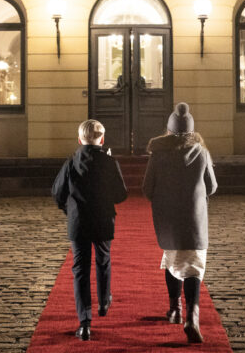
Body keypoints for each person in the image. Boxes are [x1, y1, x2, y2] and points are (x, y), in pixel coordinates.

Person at [143, 102, 217, 344]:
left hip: (168, 217)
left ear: (169, 129)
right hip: (194, 218)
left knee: (172, 258)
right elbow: (212, 186)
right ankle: (192, 318)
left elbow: (147, 188)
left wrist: (164, 199)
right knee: (194, 265)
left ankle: (174, 310)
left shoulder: (159, 153)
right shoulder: (201, 151)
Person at [51, 119, 128, 341]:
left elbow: (57, 192)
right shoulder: (109, 162)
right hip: (103, 220)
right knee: (103, 260)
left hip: (78, 222)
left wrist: (69, 209)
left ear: (79, 139)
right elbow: (121, 194)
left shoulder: (71, 162)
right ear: (102, 139)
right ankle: (104, 302)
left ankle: (84, 322)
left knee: (80, 270)